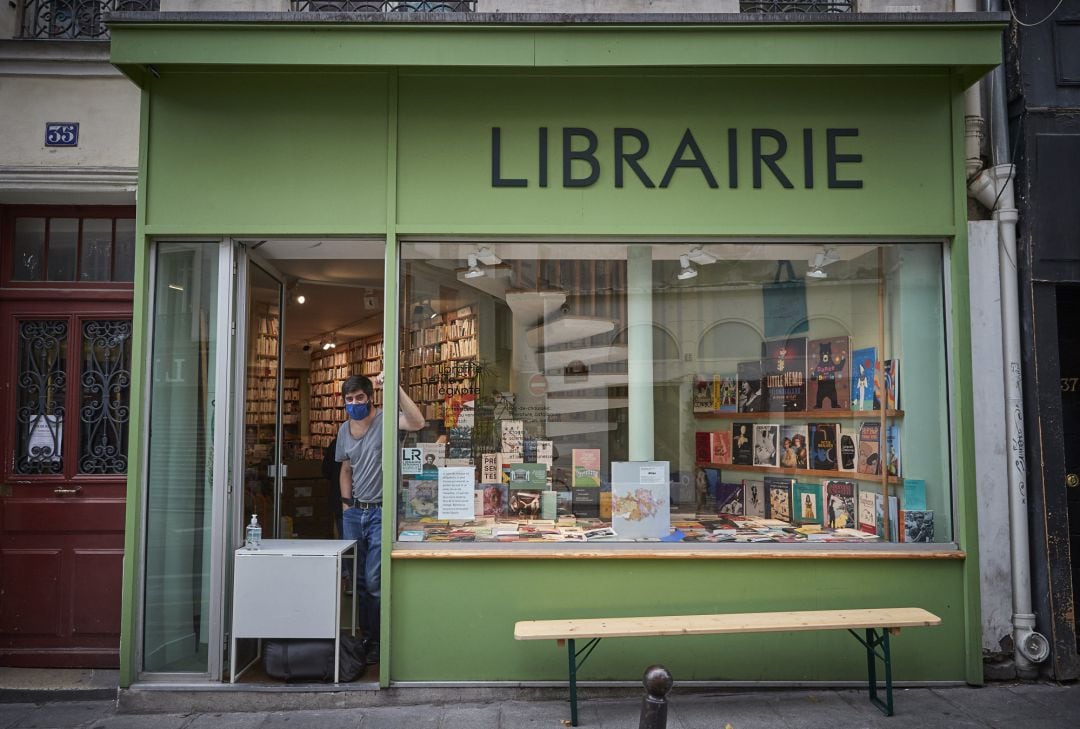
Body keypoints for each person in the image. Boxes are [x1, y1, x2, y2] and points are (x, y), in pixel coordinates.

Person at [337, 372, 425, 666]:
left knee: (374, 580)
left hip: (380, 511)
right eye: (349, 399)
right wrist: (346, 506)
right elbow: (346, 469)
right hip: (355, 512)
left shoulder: (385, 419)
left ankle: (377, 642)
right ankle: (366, 636)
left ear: (370, 397)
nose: (354, 404)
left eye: (359, 398)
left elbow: (417, 422)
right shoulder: (343, 430)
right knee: (359, 581)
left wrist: (395, 387)